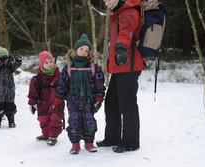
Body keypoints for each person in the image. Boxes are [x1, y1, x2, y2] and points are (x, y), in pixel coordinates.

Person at [97, 0, 144, 153]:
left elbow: (126, 32)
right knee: (112, 102)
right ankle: (112, 137)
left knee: (127, 103)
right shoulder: (118, 12)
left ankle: (131, 141)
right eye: (105, 0)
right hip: (119, 66)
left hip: (128, 65)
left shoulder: (128, 11)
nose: (108, 2)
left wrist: (121, 48)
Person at [55, 34, 106, 154]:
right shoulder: (68, 68)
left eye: (87, 50)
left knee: (89, 121)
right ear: (75, 50)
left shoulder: (94, 68)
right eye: (81, 49)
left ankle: (89, 143)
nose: (84, 52)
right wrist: (59, 97)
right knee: (74, 121)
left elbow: (99, 83)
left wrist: (99, 96)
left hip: (89, 100)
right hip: (73, 100)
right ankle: (75, 144)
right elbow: (62, 84)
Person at [28, 51, 63, 146]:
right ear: (42, 64)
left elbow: (64, 88)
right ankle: (46, 134)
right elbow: (33, 92)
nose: (50, 64)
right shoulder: (37, 79)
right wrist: (32, 102)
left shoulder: (59, 76)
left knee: (55, 120)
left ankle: (53, 136)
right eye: (46, 62)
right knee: (43, 120)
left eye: (51, 61)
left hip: (57, 103)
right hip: (43, 104)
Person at [0, 47, 22, 128]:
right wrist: (0, 61)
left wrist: (18, 61)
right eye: (3, 57)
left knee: (10, 106)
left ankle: (11, 121)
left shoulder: (10, 65)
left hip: (10, 90)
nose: (5, 59)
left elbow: (15, 66)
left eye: (6, 57)